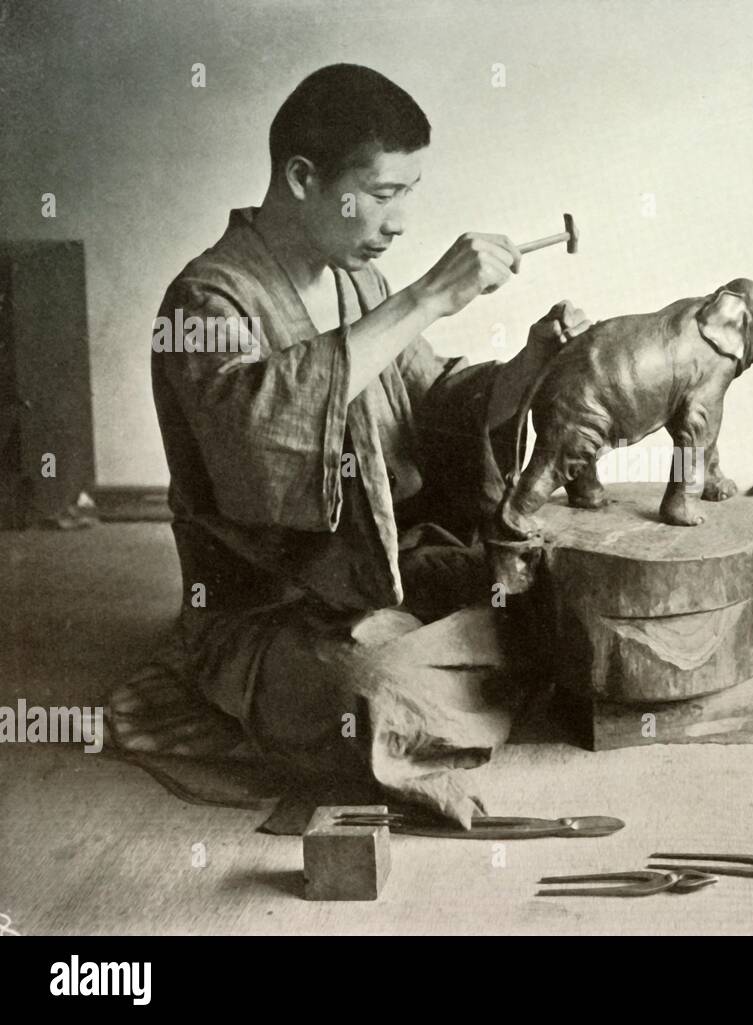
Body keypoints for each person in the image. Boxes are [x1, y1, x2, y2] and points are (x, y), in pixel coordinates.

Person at [108, 63, 590, 825]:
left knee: (549, 589)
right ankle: (394, 667)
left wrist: (533, 362)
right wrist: (428, 296)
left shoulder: (357, 283)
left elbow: (432, 409)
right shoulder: (205, 301)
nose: (398, 222)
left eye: (410, 195)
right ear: (303, 177)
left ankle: (434, 643)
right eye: (385, 193)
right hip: (273, 606)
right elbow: (261, 448)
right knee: (370, 693)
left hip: (386, 565)